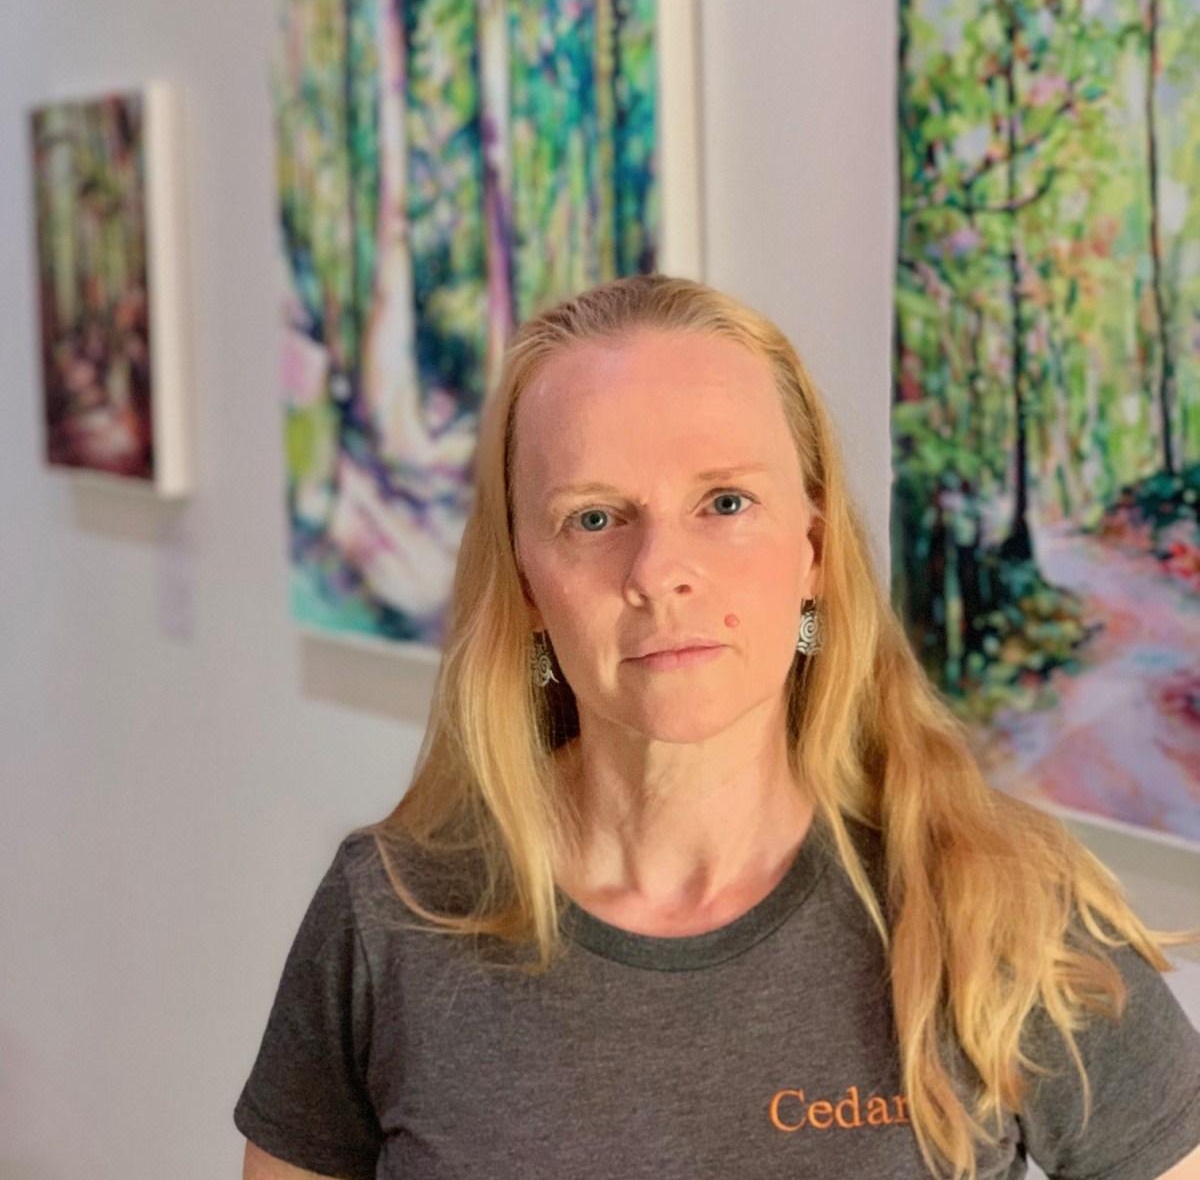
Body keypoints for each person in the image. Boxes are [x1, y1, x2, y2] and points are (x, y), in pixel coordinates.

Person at [236, 275, 1200, 1180]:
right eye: (594, 518)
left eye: (725, 503)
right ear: (526, 583)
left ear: (813, 552)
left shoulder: (1001, 904)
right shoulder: (391, 914)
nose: (660, 572)